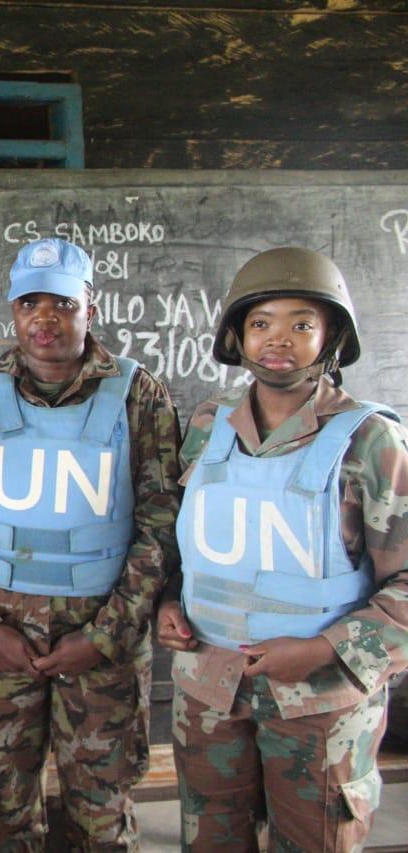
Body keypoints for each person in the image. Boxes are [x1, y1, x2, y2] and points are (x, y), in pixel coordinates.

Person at [0, 237, 182, 851]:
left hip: (103, 652)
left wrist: (103, 635)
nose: (45, 318)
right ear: (13, 312)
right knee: (6, 812)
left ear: (90, 305)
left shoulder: (139, 395)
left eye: (62, 302)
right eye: (29, 303)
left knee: (102, 814)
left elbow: (161, 527)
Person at [156, 247, 408, 851]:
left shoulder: (371, 442)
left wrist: (323, 648)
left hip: (319, 707)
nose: (279, 339)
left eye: (302, 323)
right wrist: (168, 599)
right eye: (261, 322)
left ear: (331, 339)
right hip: (208, 693)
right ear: (237, 337)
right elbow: (185, 540)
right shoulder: (207, 426)